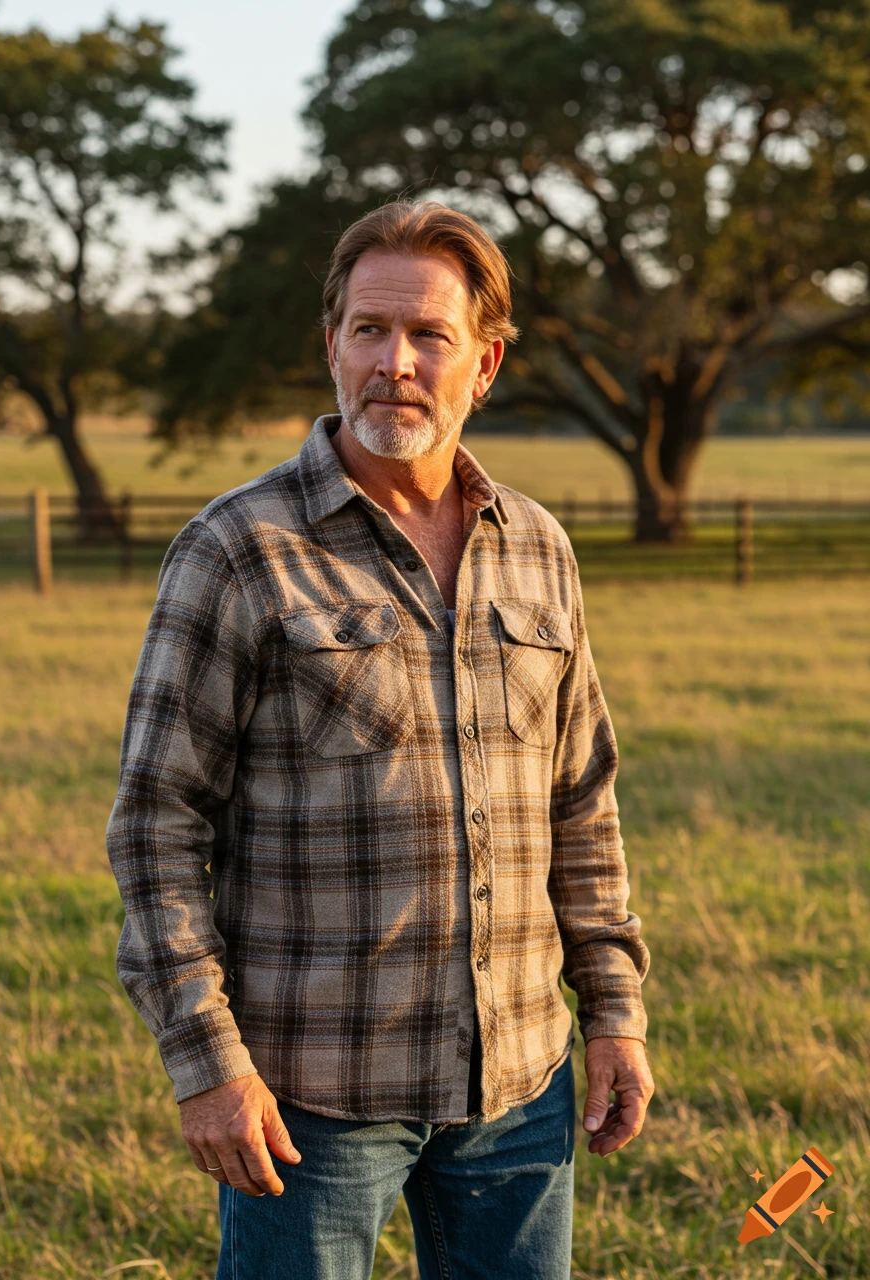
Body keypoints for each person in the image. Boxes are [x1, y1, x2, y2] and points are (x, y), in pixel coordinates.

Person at [106, 199, 654, 1280]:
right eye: (367, 329)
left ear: (484, 363)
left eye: (426, 336)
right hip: (310, 1101)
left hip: (517, 1088)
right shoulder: (236, 549)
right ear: (331, 343)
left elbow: (580, 799)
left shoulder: (537, 548)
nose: (392, 362)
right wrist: (206, 1061)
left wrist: (615, 1009)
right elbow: (157, 829)